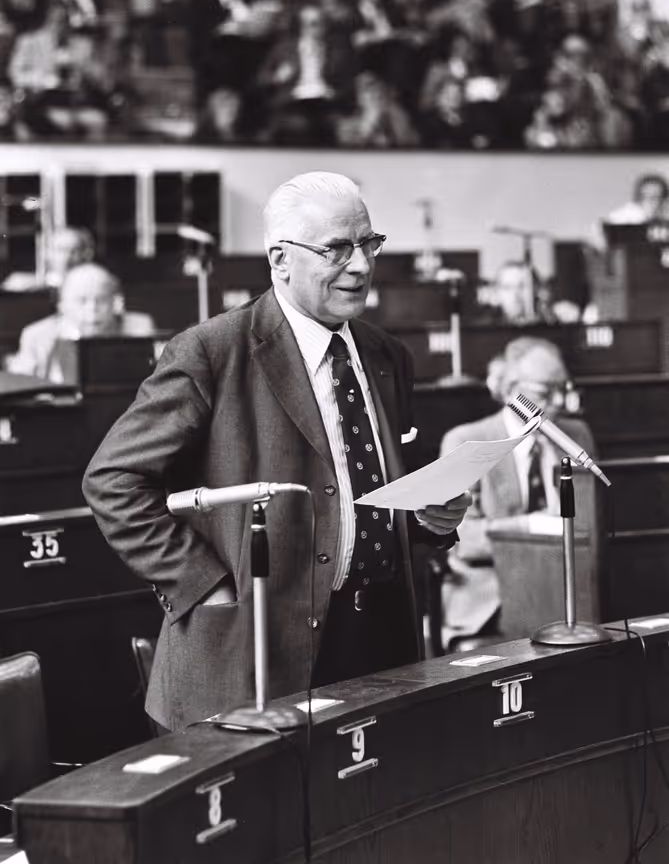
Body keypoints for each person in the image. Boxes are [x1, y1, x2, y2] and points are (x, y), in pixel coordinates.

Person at [82, 171, 470, 731]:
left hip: (378, 642)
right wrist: (204, 585)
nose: (361, 265)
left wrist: (432, 517)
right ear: (280, 259)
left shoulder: (387, 355)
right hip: (251, 650)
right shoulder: (211, 351)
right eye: (336, 249)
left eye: (369, 243)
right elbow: (113, 481)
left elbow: (373, 492)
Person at [438, 337, 596, 649]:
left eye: (564, 389)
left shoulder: (576, 436)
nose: (559, 401)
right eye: (544, 392)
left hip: (567, 592)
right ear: (510, 389)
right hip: (491, 598)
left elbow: (591, 521)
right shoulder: (467, 441)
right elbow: (463, 538)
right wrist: (533, 527)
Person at [8, 263, 155, 383]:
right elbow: (21, 388)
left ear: (114, 303)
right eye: (82, 300)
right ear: (62, 305)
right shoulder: (37, 336)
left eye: (102, 299)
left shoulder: (138, 329)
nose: (92, 309)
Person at [1, 226, 95, 293]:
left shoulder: (94, 284)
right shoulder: (21, 283)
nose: (67, 256)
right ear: (46, 253)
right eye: (60, 250)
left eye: (74, 250)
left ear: (84, 254)